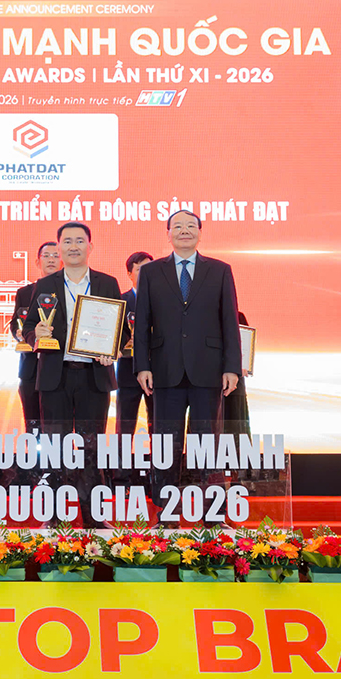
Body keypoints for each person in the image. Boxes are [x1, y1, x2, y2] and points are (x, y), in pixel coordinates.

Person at [134, 210, 241, 491]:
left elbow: (230, 321)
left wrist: (232, 367)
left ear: (199, 233)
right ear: (168, 234)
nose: (184, 231)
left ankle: (212, 508)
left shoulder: (220, 270)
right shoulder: (151, 272)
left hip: (208, 369)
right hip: (165, 369)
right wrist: (142, 366)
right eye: (178, 226)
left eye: (191, 226)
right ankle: (166, 507)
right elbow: (142, 323)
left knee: (208, 443)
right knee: (166, 443)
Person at [23, 222, 122, 521]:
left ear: (90, 247)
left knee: (93, 446)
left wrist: (113, 348)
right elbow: (29, 327)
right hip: (56, 376)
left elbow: (121, 328)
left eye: (80, 241)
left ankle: (94, 517)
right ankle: (54, 516)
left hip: (94, 376)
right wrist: (36, 334)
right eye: (67, 241)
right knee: (55, 446)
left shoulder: (107, 283)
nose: (74, 246)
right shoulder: (46, 285)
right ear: (59, 248)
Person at [12, 241, 61, 433]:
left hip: (60, 369)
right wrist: (21, 335)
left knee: (59, 425)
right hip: (30, 368)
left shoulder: (69, 292)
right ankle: (34, 452)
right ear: (37, 262)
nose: (51, 260)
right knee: (32, 424)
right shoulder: (24, 292)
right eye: (46, 256)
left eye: (56, 256)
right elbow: (16, 323)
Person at [116, 251, 154, 438]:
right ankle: (121, 458)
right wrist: (123, 341)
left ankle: (159, 458)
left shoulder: (165, 301)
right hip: (127, 370)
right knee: (125, 424)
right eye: (140, 269)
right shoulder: (120, 301)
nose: (145, 273)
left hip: (158, 370)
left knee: (158, 424)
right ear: (129, 274)